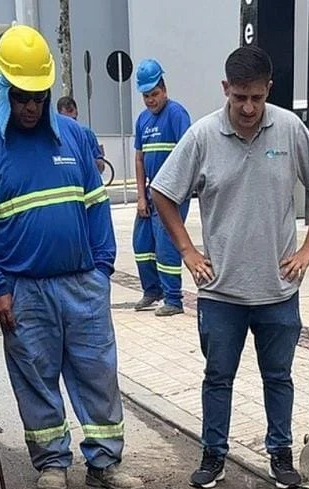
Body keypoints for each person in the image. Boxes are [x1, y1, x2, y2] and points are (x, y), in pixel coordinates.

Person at [0, 25, 144, 489]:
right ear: (4, 90)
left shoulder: (76, 140)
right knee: (36, 377)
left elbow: (97, 207)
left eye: (38, 98)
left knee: (97, 374)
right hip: (23, 289)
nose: (30, 108)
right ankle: (52, 460)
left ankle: (105, 462)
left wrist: (103, 270)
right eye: (21, 98)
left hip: (82, 283)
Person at [150, 45, 309, 489]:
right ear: (225, 90)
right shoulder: (201, 137)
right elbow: (163, 192)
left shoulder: (290, 129)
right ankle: (213, 455)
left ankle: (281, 456)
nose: (248, 107)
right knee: (217, 378)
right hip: (221, 293)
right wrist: (189, 252)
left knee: (279, 377)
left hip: (278, 290)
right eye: (239, 98)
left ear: (268, 90)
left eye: (256, 97)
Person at [130, 59, 192, 316]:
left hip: (172, 195)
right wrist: (141, 196)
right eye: (146, 96)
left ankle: (174, 300)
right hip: (151, 194)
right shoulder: (142, 120)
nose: (151, 100)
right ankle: (152, 290)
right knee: (142, 243)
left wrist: (175, 193)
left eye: (154, 94)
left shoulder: (177, 114)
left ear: (164, 90)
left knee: (166, 244)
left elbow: (188, 153)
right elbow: (139, 159)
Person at [56, 94, 105, 175]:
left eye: (71, 111)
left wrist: (93, 163)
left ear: (76, 112)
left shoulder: (87, 133)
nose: (71, 123)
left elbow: (101, 164)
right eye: (66, 120)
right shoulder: (56, 136)